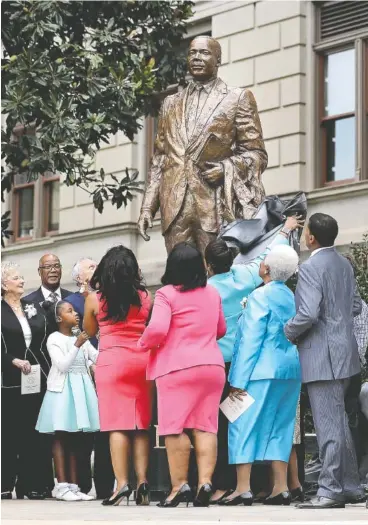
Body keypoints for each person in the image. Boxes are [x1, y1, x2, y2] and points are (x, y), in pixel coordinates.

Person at [138, 35, 267, 258]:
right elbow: (159, 159)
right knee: (179, 280)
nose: (197, 57)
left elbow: (257, 154)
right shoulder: (170, 103)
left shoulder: (237, 98)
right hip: (174, 207)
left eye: (204, 52)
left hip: (214, 206)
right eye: (192, 53)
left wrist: (227, 168)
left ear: (218, 60)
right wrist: (147, 208)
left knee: (215, 281)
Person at [205, 216, 303, 503]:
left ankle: (243, 487)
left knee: (241, 425)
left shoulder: (255, 296)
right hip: (289, 370)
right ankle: (280, 487)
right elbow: (267, 254)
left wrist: (237, 381)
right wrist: (284, 231)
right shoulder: (289, 294)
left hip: (257, 371)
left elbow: (249, 342)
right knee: (281, 428)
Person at [284, 213, 365, 509]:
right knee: (340, 422)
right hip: (346, 352)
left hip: (322, 355)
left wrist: (286, 331)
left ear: (311, 237)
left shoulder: (309, 268)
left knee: (329, 425)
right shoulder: (344, 263)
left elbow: (306, 314)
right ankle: (351, 486)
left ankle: (330, 490)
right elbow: (356, 305)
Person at [138, 242, 226, 508]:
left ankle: (179, 487)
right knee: (206, 426)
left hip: (176, 368)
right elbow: (220, 329)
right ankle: (205, 482)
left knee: (174, 428)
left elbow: (157, 329)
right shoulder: (212, 293)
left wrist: (142, 344)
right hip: (211, 366)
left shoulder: (166, 294)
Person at [84, 246, 153, 507]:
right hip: (141, 362)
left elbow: (90, 331)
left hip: (111, 362)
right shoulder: (147, 297)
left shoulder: (95, 299)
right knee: (140, 424)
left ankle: (122, 484)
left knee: (116, 425)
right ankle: (143, 482)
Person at [36, 301, 99, 502]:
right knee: (61, 436)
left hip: (80, 389)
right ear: (59, 318)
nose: (76, 314)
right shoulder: (54, 338)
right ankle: (61, 485)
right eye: (69, 311)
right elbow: (62, 365)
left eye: (75, 310)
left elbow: (96, 357)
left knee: (75, 437)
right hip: (62, 391)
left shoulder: (80, 336)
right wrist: (77, 344)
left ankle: (73, 485)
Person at [1, 262, 53, 500]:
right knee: (10, 433)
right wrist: (12, 361)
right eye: (15, 278)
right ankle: (5, 483)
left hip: (36, 378)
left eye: (22, 277)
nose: (22, 281)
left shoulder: (32, 307)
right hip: (10, 380)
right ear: (3, 284)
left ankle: (32, 484)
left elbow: (42, 340)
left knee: (34, 433)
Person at [65, 258, 114, 500]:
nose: (96, 269)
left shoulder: (109, 295)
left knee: (106, 426)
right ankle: (83, 484)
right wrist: (90, 361)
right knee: (85, 428)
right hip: (84, 368)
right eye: (91, 267)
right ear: (79, 278)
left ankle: (108, 483)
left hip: (109, 365)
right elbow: (76, 333)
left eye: (97, 266)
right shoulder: (71, 303)